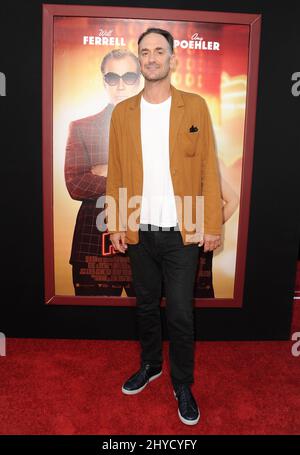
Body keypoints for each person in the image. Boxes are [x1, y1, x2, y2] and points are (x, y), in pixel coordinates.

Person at [105, 28, 223, 425]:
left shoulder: (195, 106)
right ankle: (151, 365)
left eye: (159, 51)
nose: (152, 57)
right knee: (144, 305)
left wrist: (210, 224)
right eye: (145, 52)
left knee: (181, 314)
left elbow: (208, 165)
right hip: (139, 227)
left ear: (172, 58)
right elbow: (117, 173)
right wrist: (118, 222)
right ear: (140, 60)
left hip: (183, 229)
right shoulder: (124, 113)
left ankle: (183, 384)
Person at [64, 49, 141, 296]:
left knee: (152, 325)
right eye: (112, 77)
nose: (120, 85)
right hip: (93, 241)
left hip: (148, 242)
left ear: (139, 79)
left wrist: (112, 172)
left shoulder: (162, 126)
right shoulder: (81, 127)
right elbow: (76, 184)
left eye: (128, 77)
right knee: (92, 326)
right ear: (103, 81)